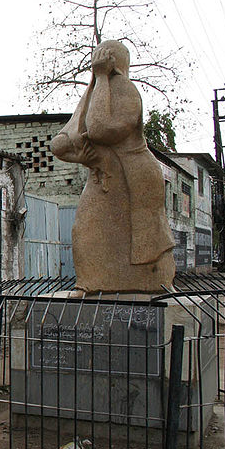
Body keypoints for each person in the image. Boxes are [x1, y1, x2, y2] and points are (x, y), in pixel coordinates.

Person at [50, 39, 175, 294]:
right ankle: (90, 283)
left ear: (112, 62)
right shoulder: (94, 92)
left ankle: (156, 282)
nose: (97, 62)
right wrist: (83, 158)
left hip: (135, 175)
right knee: (86, 228)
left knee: (145, 237)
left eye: (102, 58)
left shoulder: (125, 90)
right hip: (103, 174)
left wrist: (103, 78)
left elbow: (99, 129)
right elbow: (59, 144)